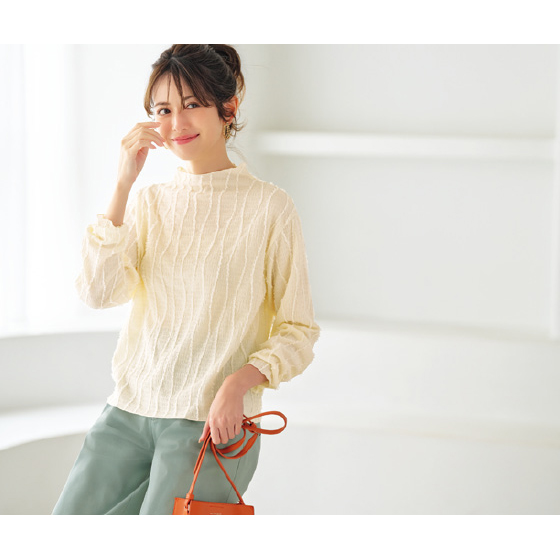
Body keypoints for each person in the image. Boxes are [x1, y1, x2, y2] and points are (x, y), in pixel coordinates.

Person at [52, 44, 320, 515]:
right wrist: (123, 183)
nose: (177, 123)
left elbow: (298, 330)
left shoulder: (269, 207)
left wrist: (237, 385)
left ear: (228, 108)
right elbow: (98, 293)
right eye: (163, 110)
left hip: (211, 423)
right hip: (128, 411)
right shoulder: (149, 202)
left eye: (192, 104)